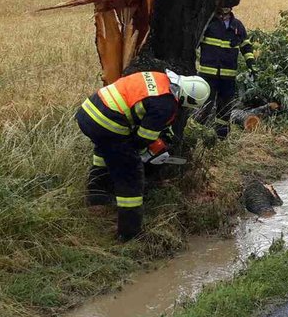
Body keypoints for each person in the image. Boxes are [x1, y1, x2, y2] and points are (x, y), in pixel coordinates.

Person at [76, 70, 210, 241]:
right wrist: (142, 154)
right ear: (188, 99)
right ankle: (129, 233)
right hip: (108, 123)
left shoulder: (159, 77)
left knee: (104, 154)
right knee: (130, 174)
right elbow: (143, 138)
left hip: (88, 113)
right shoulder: (166, 104)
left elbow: (141, 107)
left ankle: (97, 199)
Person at [197, 6, 255, 139]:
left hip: (228, 77)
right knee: (204, 108)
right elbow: (195, 43)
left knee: (225, 111)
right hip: (207, 76)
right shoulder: (208, 23)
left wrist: (251, 64)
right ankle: (196, 136)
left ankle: (221, 138)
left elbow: (246, 46)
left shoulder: (237, 25)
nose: (225, 8)